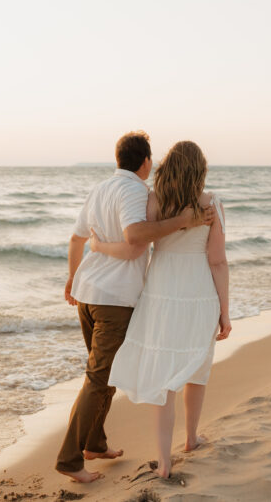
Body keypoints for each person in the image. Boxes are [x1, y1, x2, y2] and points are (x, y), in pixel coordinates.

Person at [56, 132, 215, 484]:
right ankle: (69, 460)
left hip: (86, 293)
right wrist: (185, 221)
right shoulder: (134, 192)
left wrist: (71, 278)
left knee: (105, 375)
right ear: (144, 162)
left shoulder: (100, 189)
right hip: (114, 297)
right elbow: (133, 242)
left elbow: (76, 238)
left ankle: (94, 444)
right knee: (99, 379)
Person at [90, 140, 231, 479]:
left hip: (161, 294)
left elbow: (138, 242)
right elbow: (218, 261)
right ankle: (192, 438)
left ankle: (164, 460)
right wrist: (225, 311)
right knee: (198, 366)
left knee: (164, 379)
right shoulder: (211, 204)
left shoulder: (155, 201)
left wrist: (97, 246)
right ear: (200, 170)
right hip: (198, 293)